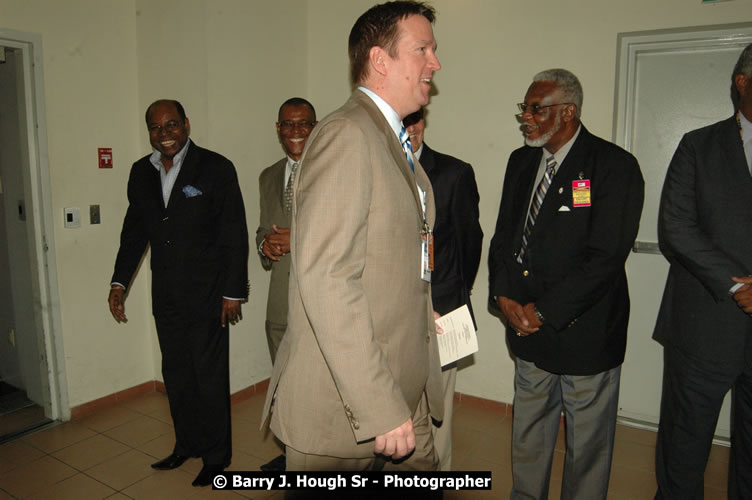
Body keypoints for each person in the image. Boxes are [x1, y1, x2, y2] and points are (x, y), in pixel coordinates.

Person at [261, 0, 444, 472]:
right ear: (381, 61)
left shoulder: (392, 140)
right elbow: (326, 279)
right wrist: (380, 406)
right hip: (349, 408)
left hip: (405, 383)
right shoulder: (347, 134)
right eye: (422, 49)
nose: (435, 63)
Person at [488, 69, 644, 499]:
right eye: (525, 108)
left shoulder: (613, 166)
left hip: (585, 332)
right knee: (529, 433)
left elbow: (605, 258)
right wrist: (504, 298)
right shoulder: (521, 162)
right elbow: (504, 238)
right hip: (525, 327)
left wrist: (543, 311)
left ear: (568, 111)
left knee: (587, 447)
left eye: (536, 109)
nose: (527, 118)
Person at [108, 99, 249, 487]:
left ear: (186, 124)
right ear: (149, 132)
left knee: (209, 377)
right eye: (156, 128)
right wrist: (119, 282)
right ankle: (186, 444)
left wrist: (234, 291)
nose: (164, 134)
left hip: (209, 295)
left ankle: (217, 457)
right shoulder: (141, 172)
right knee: (177, 374)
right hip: (165, 296)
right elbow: (134, 232)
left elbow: (233, 233)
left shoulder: (216, 168)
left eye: (171, 125)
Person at [653, 43, 752, 500]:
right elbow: (676, 227)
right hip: (703, 325)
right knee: (684, 447)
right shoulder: (699, 145)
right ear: (742, 83)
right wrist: (737, 283)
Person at [404, 107, 482, 471]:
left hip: (443, 307)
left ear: (425, 122)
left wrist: (455, 298)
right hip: (395, 311)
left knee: (439, 411)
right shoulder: (382, 166)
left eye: (415, 120)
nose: (410, 129)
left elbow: (470, 242)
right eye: (403, 122)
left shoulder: (454, 173)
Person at [256, 97, 317, 472]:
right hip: (279, 298)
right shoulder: (267, 175)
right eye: (287, 124)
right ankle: (290, 451)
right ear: (278, 129)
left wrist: (297, 238)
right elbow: (265, 227)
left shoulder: (330, 169)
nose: (295, 131)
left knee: (315, 381)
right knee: (283, 384)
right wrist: (264, 244)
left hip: (317, 296)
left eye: (303, 124)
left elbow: (344, 232)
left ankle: (315, 455)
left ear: (316, 126)